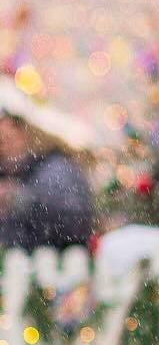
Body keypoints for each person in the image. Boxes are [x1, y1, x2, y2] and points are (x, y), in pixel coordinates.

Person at [0, 80, 96, 255]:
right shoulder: (10, 173)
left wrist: (22, 200)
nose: (6, 147)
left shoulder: (56, 170)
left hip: (56, 266)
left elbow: (75, 221)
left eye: (9, 137)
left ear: (24, 132)